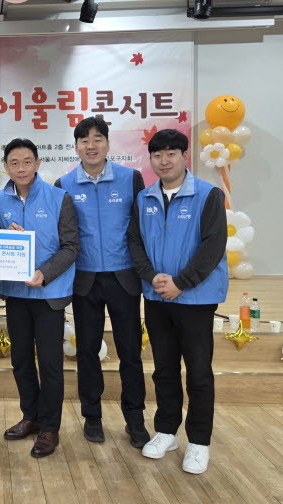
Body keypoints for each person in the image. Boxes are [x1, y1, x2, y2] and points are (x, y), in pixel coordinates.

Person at [127, 129, 227, 474]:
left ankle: (198, 441)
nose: (164, 161)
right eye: (157, 155)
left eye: (171, 154)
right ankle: (167, 431)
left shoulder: (208, 194)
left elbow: (214, 245)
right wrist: (151, 275)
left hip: (196, 299)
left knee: (198, 372)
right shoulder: (144, 198)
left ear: (184, 156)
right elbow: (135, 242)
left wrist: (182, 282)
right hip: (157, 296)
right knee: (164, 369)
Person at [55, 117, 149, 448]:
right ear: (76, 147)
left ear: (108, 144)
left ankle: (135, 420)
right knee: (87, 351)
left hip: (124, 278)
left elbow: (142, 226)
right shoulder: (64, 183)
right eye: (84, 140)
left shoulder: (130, 178)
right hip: (85, 280)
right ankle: (92, 417)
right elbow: (60, 234)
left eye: (97, 139)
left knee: (130, 352)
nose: (91, 145)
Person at [0, 138, 79, 458]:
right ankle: (30, 416)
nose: (21, 168)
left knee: (50, 363)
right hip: (16, 293)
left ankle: (50, 427)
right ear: (5, 166)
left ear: (38, 163)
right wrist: (1, 245)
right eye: (14, 163)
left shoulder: (59, 197)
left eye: (27, 161)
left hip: (49, 294)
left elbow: (71, 246)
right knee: (21, 360)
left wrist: (44, 273)